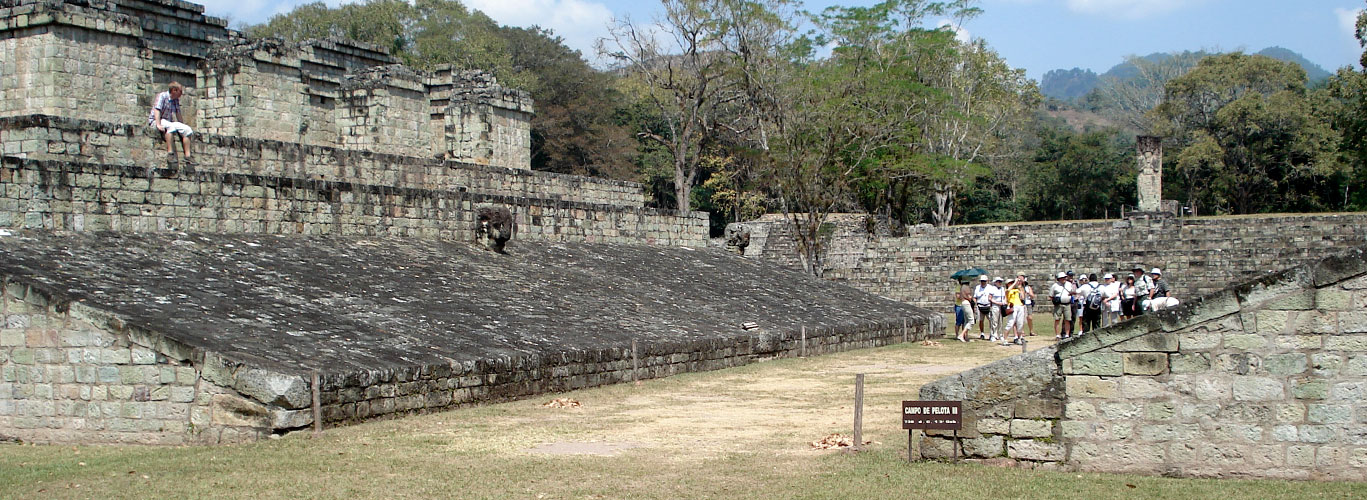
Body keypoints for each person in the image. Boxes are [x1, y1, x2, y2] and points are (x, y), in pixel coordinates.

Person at [149, 81, 194, 160]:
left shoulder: (175, 100)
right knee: (170, 127)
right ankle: (170, 152)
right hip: (157, 120)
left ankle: (188, 156)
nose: (181, 94)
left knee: (187, 129)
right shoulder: (162, 96)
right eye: (180, 91)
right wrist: (158, 124)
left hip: (167, 121)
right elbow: (157, 110)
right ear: (174, 90)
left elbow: (178, 113)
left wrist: (181, 126)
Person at [1050, 272, 1076, 339]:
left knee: (1067, 319)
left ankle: (1067, 334)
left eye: (1064, 277)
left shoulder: (1069, 284)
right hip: (1059, 304)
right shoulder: (1055, 285)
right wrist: (1055, 301)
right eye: (1062, 278)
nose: (1064, 279)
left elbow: (1072, 292)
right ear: (1059, 279)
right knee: (1057, 319)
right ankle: (1057, 335)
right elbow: (1051, 295)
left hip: (1067, 304)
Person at [1002, 277, 1028, 345]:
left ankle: (1019, 338)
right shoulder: (1007, 290)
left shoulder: (1017, 290)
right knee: (1010, 323)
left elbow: (1022, 297)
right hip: (1013, 306)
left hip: (1020, 306)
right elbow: (1008, 290)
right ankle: (1005, 339)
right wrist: (1014, 283)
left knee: (1020, 324)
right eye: (1009, 283)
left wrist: (1020, 287)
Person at [988, 277, 1007, 342]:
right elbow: (990, 298)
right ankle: (993, 335)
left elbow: (1004, 297)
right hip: (995, 306)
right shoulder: (992, 289)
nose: (1000, 283)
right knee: (994, 321)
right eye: (998, 282)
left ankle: (1000, 335)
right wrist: (997, 302)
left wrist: (1004, 302)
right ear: (995, 282)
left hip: (1001, 306)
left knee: (1000, 322)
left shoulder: (1002, 289)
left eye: (1000, 282)